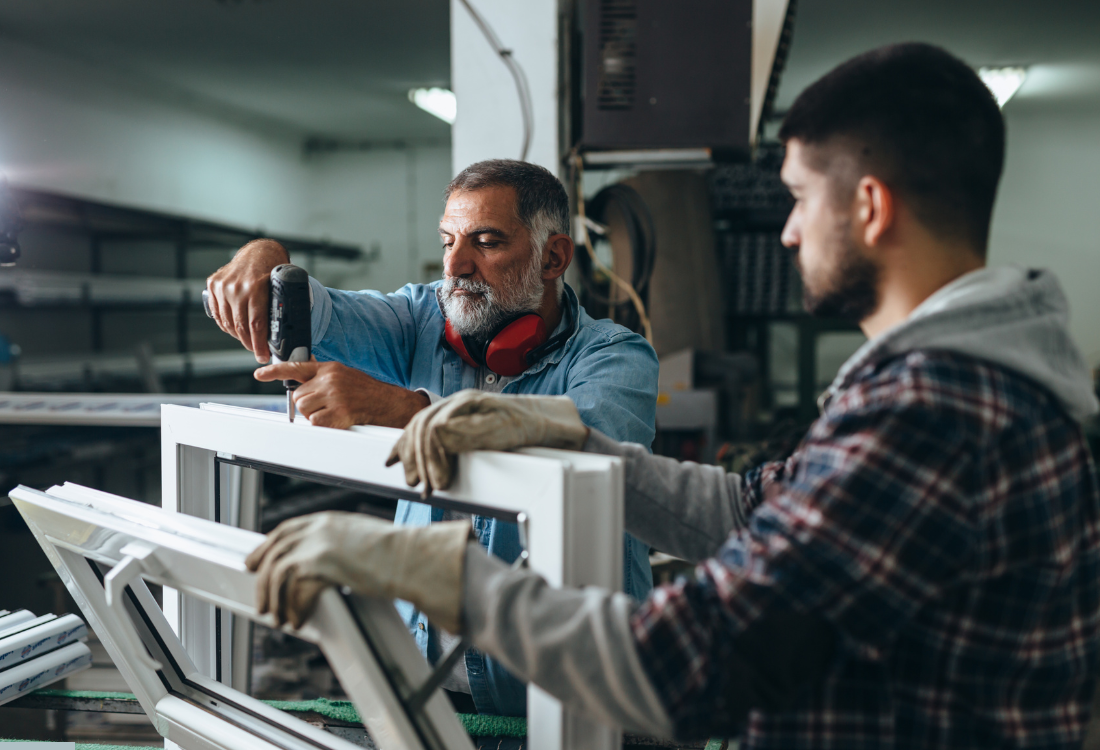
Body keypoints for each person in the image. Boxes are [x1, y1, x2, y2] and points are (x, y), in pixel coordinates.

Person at [245, 43, 1100, 748]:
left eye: (799, 199)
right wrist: (566, 444)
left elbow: (684, 668)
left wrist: (448, 575)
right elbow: (751, 506)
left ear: (871, 207)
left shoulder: (937, 409)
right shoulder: (945, 380)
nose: (791, 230)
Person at [205, 159, 659, 716]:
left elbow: (581, 461)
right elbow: (316, 312)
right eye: (448, 242)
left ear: (553, 257)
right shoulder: (423, 318)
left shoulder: (615, 357)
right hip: (424, 684)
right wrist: (265, 262)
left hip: (571, 694)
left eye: (486, 243)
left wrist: (408, 411)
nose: (456, 265)